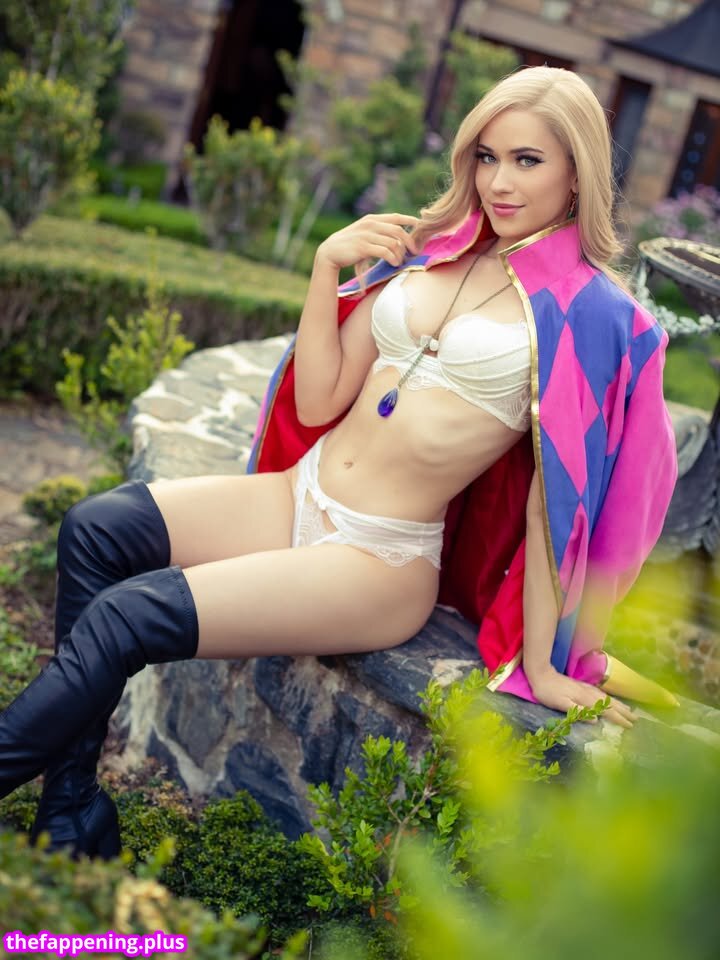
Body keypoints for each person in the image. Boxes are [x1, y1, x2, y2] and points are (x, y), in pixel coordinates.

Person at [0, 66, 678, 860]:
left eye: (527, 161)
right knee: (95, 528)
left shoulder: (594, 314)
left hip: (379, 558)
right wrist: (326, 267)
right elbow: (321, 397)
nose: (498, 181)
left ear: (577, 172)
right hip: (299, 492)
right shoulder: (437, 251)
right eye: (486, 156)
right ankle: (71, 807)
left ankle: (65, 813)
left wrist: (544, 663)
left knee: (128, 617)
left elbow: (559, 502)